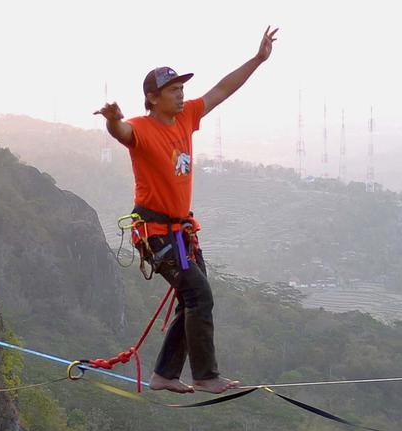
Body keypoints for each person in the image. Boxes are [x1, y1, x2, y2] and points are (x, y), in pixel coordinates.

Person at [95, 26, 278, 393]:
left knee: (193, 296)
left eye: (182, 89)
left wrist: (257, 59)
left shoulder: (186, 117)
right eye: (173, 91)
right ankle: (206, 375)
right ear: (152, 98)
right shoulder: (141, 129)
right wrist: (113, 119)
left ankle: (164, 374)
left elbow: (223, 89)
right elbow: (122, 134)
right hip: (156, 233)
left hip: (182, 232)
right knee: (199, 295)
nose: (182, 96)